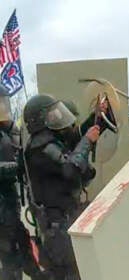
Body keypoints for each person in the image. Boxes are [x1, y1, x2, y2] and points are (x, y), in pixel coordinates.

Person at [23, 94, 101, 280]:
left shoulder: (50, 141)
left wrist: (95, 117)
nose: (57, 118)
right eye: (51, 114)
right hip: (56, 226)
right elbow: (70, 169)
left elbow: (73, 137)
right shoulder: (41, 147)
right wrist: (87, 141)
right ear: (41, 119)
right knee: (69, 272)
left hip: (62, 219)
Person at [0, 85, 50, 280]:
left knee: (22, 244)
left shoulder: (9, 131)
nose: (4, 106)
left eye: (5, 102)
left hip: (9, 203)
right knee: (10, 255)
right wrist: (16, 166)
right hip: (1, 209)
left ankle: (37, 275)